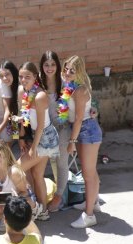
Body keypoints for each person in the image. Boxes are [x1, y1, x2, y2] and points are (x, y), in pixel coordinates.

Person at [62, 56, 102, 228]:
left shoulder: (79, 90)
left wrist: (72, 141)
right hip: (83, 129)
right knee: (91, 172)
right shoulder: (70, 86)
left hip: (86, 130)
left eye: (72, 70)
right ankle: (93, 203)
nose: (68, 73)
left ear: (79, 71)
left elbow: (79, 118)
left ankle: (90, 215)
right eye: (66, 68)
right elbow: (91, 105)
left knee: (88, 175)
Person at [16, 62, 59, 221]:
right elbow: (21, 117)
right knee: (37, 174)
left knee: (16, 170)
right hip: (35, 135)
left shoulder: (40, 96)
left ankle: (33, 206)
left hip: (45, 137)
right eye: (21, 77)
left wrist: (33, 148)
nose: (24, 80)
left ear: (35, 77)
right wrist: (21, 138)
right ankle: (43, 212)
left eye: (28, 77)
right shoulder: (22, 91)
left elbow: (41, 125)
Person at [0, 141, 43, 229]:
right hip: (4, 200)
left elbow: (25, 193)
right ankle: (7, 217)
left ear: (6, 155)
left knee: (19, 226)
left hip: (19, 200)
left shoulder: (13, 172)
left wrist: (10, 199)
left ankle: (32, 212)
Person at [39, 51, 69, 212]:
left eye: (52, 64)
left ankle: (58, 197)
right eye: (46, 64)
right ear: (42, 66)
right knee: (48, 162)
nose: (49, 68)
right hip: (45, 129)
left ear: (57, 66)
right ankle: (54, 194)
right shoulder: (39, 82)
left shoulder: (64, 83)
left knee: (61, 163)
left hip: (63, 127)